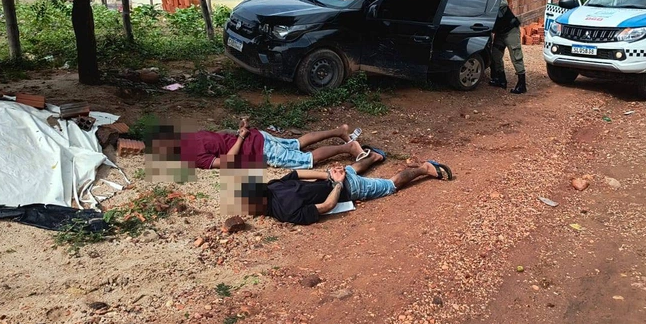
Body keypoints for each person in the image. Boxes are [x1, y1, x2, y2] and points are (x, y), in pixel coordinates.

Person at [239, 149, 453, 225]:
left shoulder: (284, 212)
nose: (248, 210)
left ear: (263, 200)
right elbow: (297, 173)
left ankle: (424, 169)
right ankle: (375, 156)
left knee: (390, 185)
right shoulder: (272, 186)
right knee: (351, 169)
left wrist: (338, 184)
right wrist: (329, 175)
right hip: (333, 180)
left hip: (348, 189)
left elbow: (327, 206)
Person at [150, 120, 367, 170]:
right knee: (297, 143)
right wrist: (242, 132)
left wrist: (241, 138)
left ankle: (347, 148)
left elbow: (229, 161)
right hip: (259, 136)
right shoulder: (191, 136)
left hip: (256, 148)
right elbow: (221, 137)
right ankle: (339, 131)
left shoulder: (194, 158)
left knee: (307, 158)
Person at [489, 0, 526, 94]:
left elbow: (503, 4)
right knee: (495, 55)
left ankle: (522, 84)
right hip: (500, 32)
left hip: (511, 31)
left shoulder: (498, 1)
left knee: (516, 56)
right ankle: (501, 80)